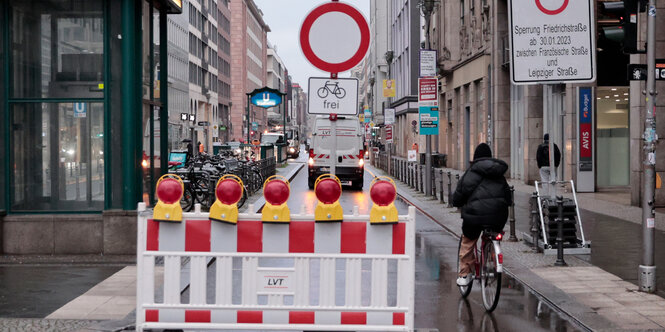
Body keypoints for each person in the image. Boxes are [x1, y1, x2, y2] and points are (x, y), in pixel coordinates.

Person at [452, 143, 512, 286]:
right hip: (498, 215)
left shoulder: (471, 173)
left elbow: (458, 196)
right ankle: (491, 256)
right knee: (493, 234)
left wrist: (457, 202)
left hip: (475, 217)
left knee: (468, 240)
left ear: (476, 158)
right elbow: (508, 198)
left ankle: (465, 274)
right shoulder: (499, 174)